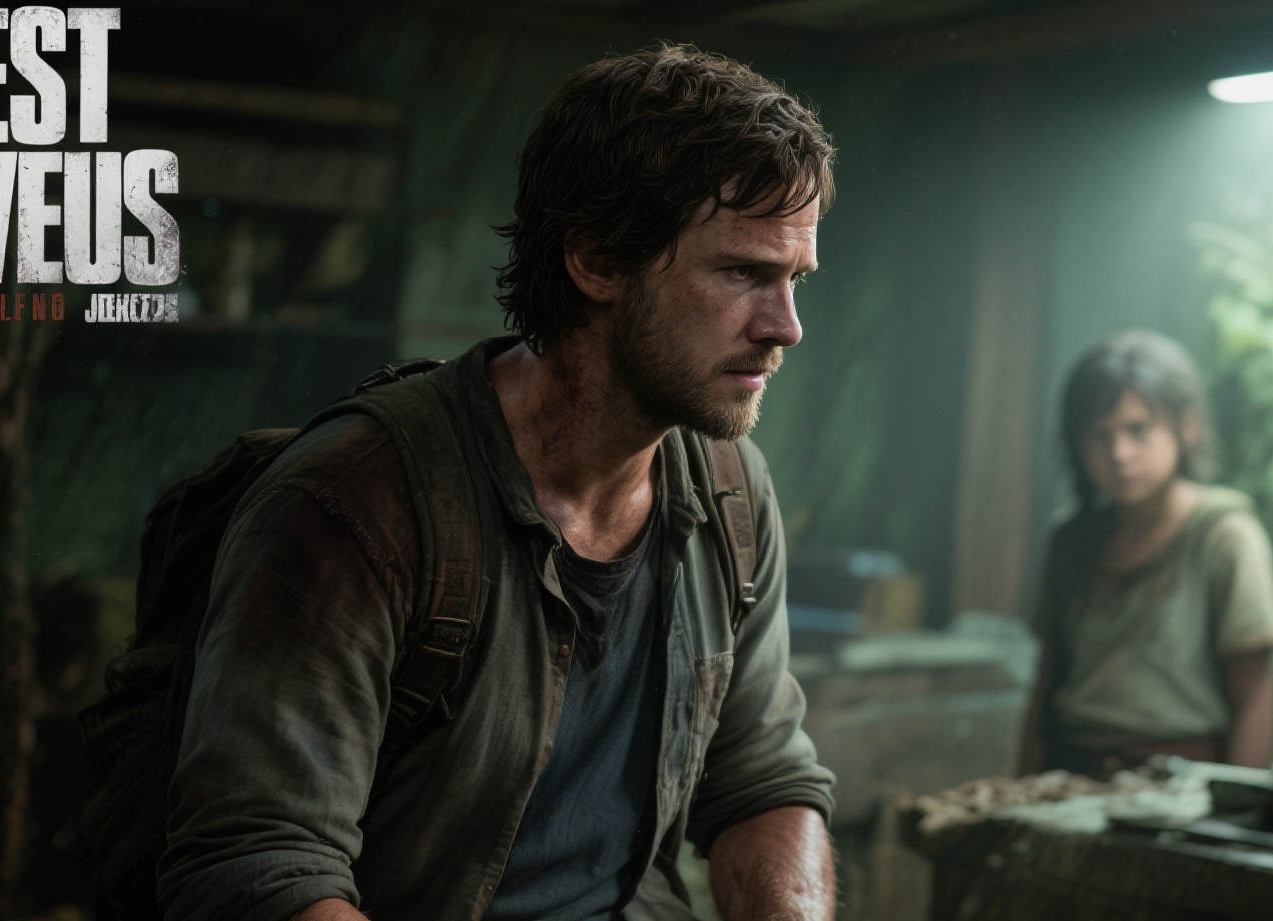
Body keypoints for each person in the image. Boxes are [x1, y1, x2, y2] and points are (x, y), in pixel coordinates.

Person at [156, 45, 837, 921]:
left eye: (795, 278)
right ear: (595, 260)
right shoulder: (358, 502)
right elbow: (260, 862)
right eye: (744, 271)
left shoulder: (730, 493)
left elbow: (763, 777)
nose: (787, 326)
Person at [1018, 331, 1273, 777]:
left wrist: (1238, 802)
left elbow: (1254, 697)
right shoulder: (1070, 541)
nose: (1119, 453)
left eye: (1138, 430)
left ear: (1187, 426)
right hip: (1069, 773)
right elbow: (1045, 683)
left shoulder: (1224, 536)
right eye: (1099, 435)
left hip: (1180, 782)